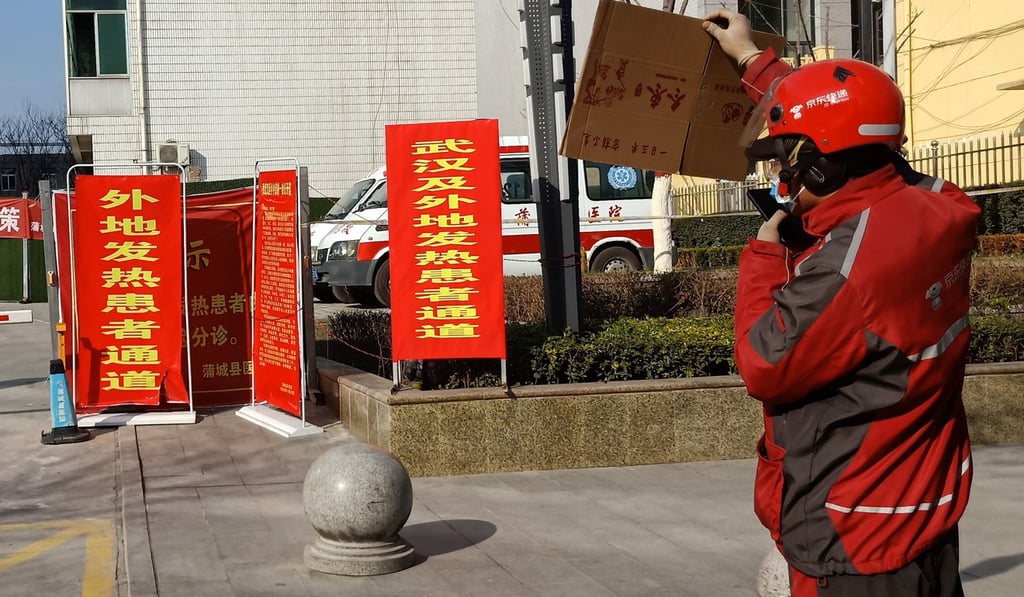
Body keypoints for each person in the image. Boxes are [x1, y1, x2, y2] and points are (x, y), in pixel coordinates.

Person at [702, 9, 981, 597]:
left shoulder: (843, 272)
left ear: (823, 165)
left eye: (789, 158)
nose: (782, 171)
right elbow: (852, 123)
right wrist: (754, 61)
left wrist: (764, 259)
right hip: (926, 506)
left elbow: (765, 364)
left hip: (853, 534)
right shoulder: (941, 205)